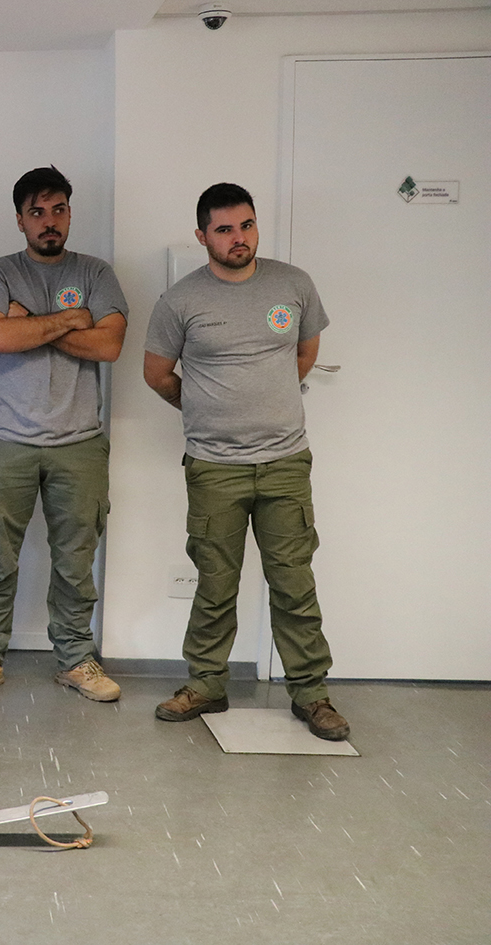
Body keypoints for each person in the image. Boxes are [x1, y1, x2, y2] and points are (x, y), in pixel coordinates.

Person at [143, 182, 350, 741]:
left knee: (294, 583)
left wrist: (266, 400)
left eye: (247, 225)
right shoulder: (180, 301)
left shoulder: (293, 284)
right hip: (214, 467)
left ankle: (310, 694)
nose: (239, 238)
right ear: (202, 235)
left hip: (285, 463)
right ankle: (206, 684)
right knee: (215, 584)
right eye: (225, 229)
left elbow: (305, 353)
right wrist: (206, 408)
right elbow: (157, 374)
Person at [0, 166, 127, 704]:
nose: (49, 221)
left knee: (76, 560)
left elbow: (109, 346)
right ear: (20, 220)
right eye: (37, 212)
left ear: (69, 213)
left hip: (80, 442)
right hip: (6, 439)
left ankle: (75, 659)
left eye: (58, 210)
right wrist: (72, 320)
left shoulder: (96, 273)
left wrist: (32, 321)